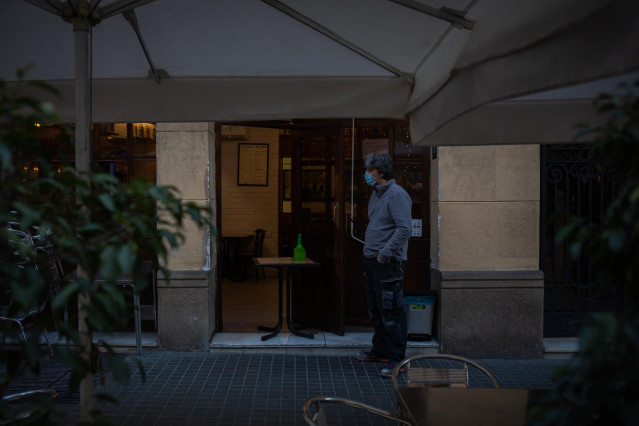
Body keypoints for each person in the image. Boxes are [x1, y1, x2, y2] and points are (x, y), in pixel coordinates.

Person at [355, 153, 412, 378]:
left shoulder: (397, 195)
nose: (367, 174)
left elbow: (404, 228)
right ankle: (379, 350)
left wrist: (385, 253)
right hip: (372, 258)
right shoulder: (376, 194)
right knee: (376, 308)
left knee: (391, 311)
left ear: (381, 172)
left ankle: (398, 360)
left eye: (370, 170)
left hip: (387, 262)